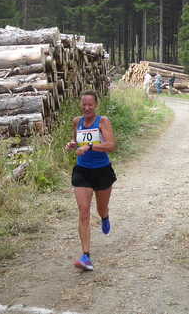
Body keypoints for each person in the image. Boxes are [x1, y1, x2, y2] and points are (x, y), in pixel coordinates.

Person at [65, 90, 116, 271]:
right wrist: (73, 145)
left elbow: (111, 145)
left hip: (102, 171)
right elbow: (77, 142)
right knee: (84, 211)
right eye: (84, 104)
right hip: (82, 171)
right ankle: (86, 256)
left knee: (101, 208)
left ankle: (104, 216)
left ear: (96, 105)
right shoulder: (77, 122)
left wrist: (90, 146)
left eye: (90, 105)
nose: (87, 108)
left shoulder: (103, 121)